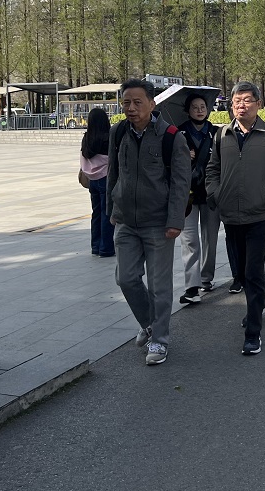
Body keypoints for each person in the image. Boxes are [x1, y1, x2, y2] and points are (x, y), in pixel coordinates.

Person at [107, 78, 191, 366]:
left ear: (152, 104)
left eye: (137, 102)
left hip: (158, 223)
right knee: (125, 278)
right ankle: (150, 324)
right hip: (126, 221)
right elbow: (113, 174)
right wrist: (111, 209)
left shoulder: (171, 137)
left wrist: (175, 221)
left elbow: (181, 183)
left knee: (159, 286)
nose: (131, 108)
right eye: (126, 102)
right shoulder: (118, 132)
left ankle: (160, 341)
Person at [207, 81, 265, 355]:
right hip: (230, 215)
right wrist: (216, 194)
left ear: (258, 104)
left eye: (246, 100)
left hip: (259, 215)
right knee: (241, 273)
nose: (241, 105)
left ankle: (253, 332)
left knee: (253, 271)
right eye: (236, 101)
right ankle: (260, 301)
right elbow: (212, 169)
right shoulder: (222, 135)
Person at [177, 93, 221, 305]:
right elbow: (168, 162)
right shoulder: (178, 133)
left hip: (211, 193)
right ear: (188, 110)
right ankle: (191, 286)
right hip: (187, 194)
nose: (199, 110)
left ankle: (206, 278)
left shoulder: (217, 133)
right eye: (195, 107)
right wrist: (182, 155)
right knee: (189, 240)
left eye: (203, 106)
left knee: (210, 238)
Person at [80, 107, 115, 258]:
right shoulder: (108, 137)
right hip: (106, 178)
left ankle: (95, 246)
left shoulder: (87, 138)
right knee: (107, 214)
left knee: (96, 214)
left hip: (92, 180)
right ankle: (106, 248)